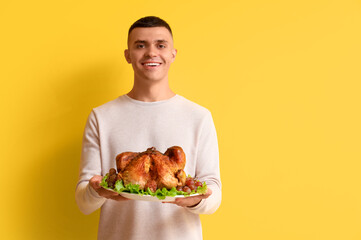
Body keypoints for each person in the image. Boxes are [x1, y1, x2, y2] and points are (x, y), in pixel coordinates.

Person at [75, 16, 222, 240]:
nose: (151, 53)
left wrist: (198, 200)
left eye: (160, 45)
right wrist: (97, 191)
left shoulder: (198, 116)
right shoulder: (101, 117)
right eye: (140, 45)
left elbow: (214, 192)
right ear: (128, 55)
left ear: (173, 54)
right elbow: (83, 202)